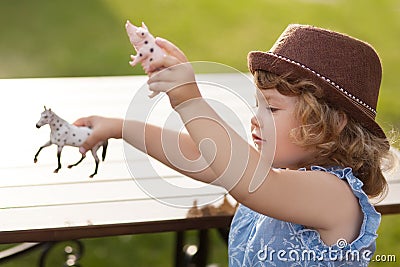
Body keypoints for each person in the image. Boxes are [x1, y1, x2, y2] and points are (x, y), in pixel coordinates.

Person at [75, 24, 395, 266]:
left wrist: (189, 99)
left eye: (271, 108)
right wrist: (119, 128)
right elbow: (204, 156)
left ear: (331, 123)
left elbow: (254, 184)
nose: (256, 118)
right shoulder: (276, 172)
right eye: (257, 106)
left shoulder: (333, 195)